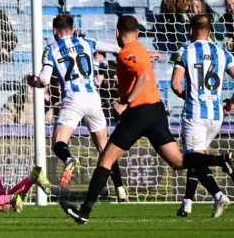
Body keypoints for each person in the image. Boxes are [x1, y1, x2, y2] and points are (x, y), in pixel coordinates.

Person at [60, 15, 234, 225]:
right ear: (138, 34)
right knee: (178, 161)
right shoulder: (140, 49)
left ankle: (84, 212)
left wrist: (125, 101)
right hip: (157, 111)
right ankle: (220, 160)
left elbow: (144, 77)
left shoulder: (126, 53)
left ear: (117, 33)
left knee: (105, 159)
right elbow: (140, 66)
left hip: (138, 114)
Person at [25, 15, 127, 201]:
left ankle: (68, 160)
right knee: (105, 150)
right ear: (72, 30)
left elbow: (45, 80)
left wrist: (36, 81)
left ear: (55, 31)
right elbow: (116, 49)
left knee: (58, 142)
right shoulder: (86, 41)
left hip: (73, 99)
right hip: (93, 99)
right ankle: (120, 189)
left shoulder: (51, 49)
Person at [172, 14, 234, 218]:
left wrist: (186, 95)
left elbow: (175, 84)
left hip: (195, 113)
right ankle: (187, 203)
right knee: (197, 158)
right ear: (210, 31)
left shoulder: (185, 51)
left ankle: (218, 195)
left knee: (192, 158)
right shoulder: (223, 52)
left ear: (191, 30)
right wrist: (232, 102)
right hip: (216, 117)